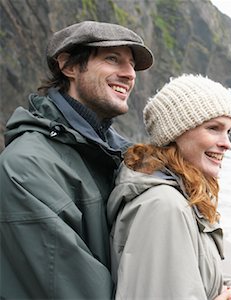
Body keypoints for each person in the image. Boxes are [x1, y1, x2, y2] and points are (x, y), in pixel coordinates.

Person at [0, 21, 153, 299]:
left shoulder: (117, 157)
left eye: (131, 64)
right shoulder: (25, 167)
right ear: (68, 66)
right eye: (112, 59)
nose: (129, 74)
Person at [107, 74, 231, 300]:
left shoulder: (182, 196)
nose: (227, 143)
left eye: (229, 131)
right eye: (214, 128)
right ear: (176, 132)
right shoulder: (164, 206)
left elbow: (184, 276)